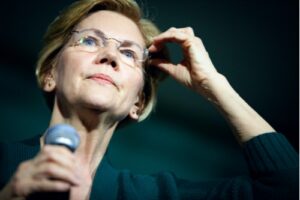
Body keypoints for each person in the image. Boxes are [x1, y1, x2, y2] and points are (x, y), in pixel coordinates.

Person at [0, 0, 298, 199]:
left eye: (129, 53)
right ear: (50, 73)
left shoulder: (154, 194)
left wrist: (215, 86)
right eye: (90, 40)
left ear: (137, 104)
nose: (110, 56)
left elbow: (288, 188)